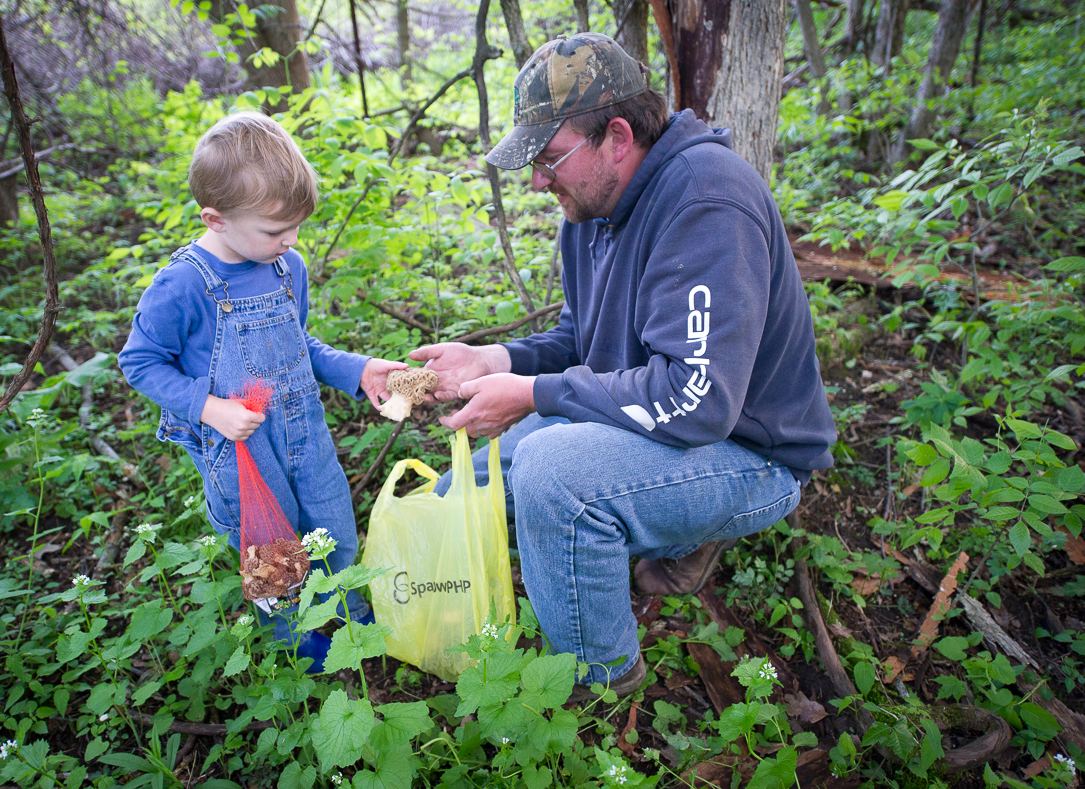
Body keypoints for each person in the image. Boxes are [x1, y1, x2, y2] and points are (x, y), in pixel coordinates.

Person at [411, 34, 836, 700]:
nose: (534, 181)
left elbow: (695, 400)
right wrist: (495, 358)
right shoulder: (592, 206)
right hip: (660, 420)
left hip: (749, 450)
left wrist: (530, 392)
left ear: (616, 135)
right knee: (478, 479)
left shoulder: (704, 203)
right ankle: (661, 535)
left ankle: (599, 685)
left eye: (549, 158)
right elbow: (584, 340)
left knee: (553, 473)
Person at [118, 111, 405, 671]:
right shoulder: (184, 284)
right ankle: (300, 649)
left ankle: (349, 625)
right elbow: (140, 362)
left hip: (306, 432)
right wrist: (209, 407)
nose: (291, 241)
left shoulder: (284, 267)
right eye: (276, 230)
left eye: (296, 227)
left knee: (334, 534)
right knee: (275, 559)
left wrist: (359, 369)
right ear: (216, 219)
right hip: (242, 451)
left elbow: (297, 345)